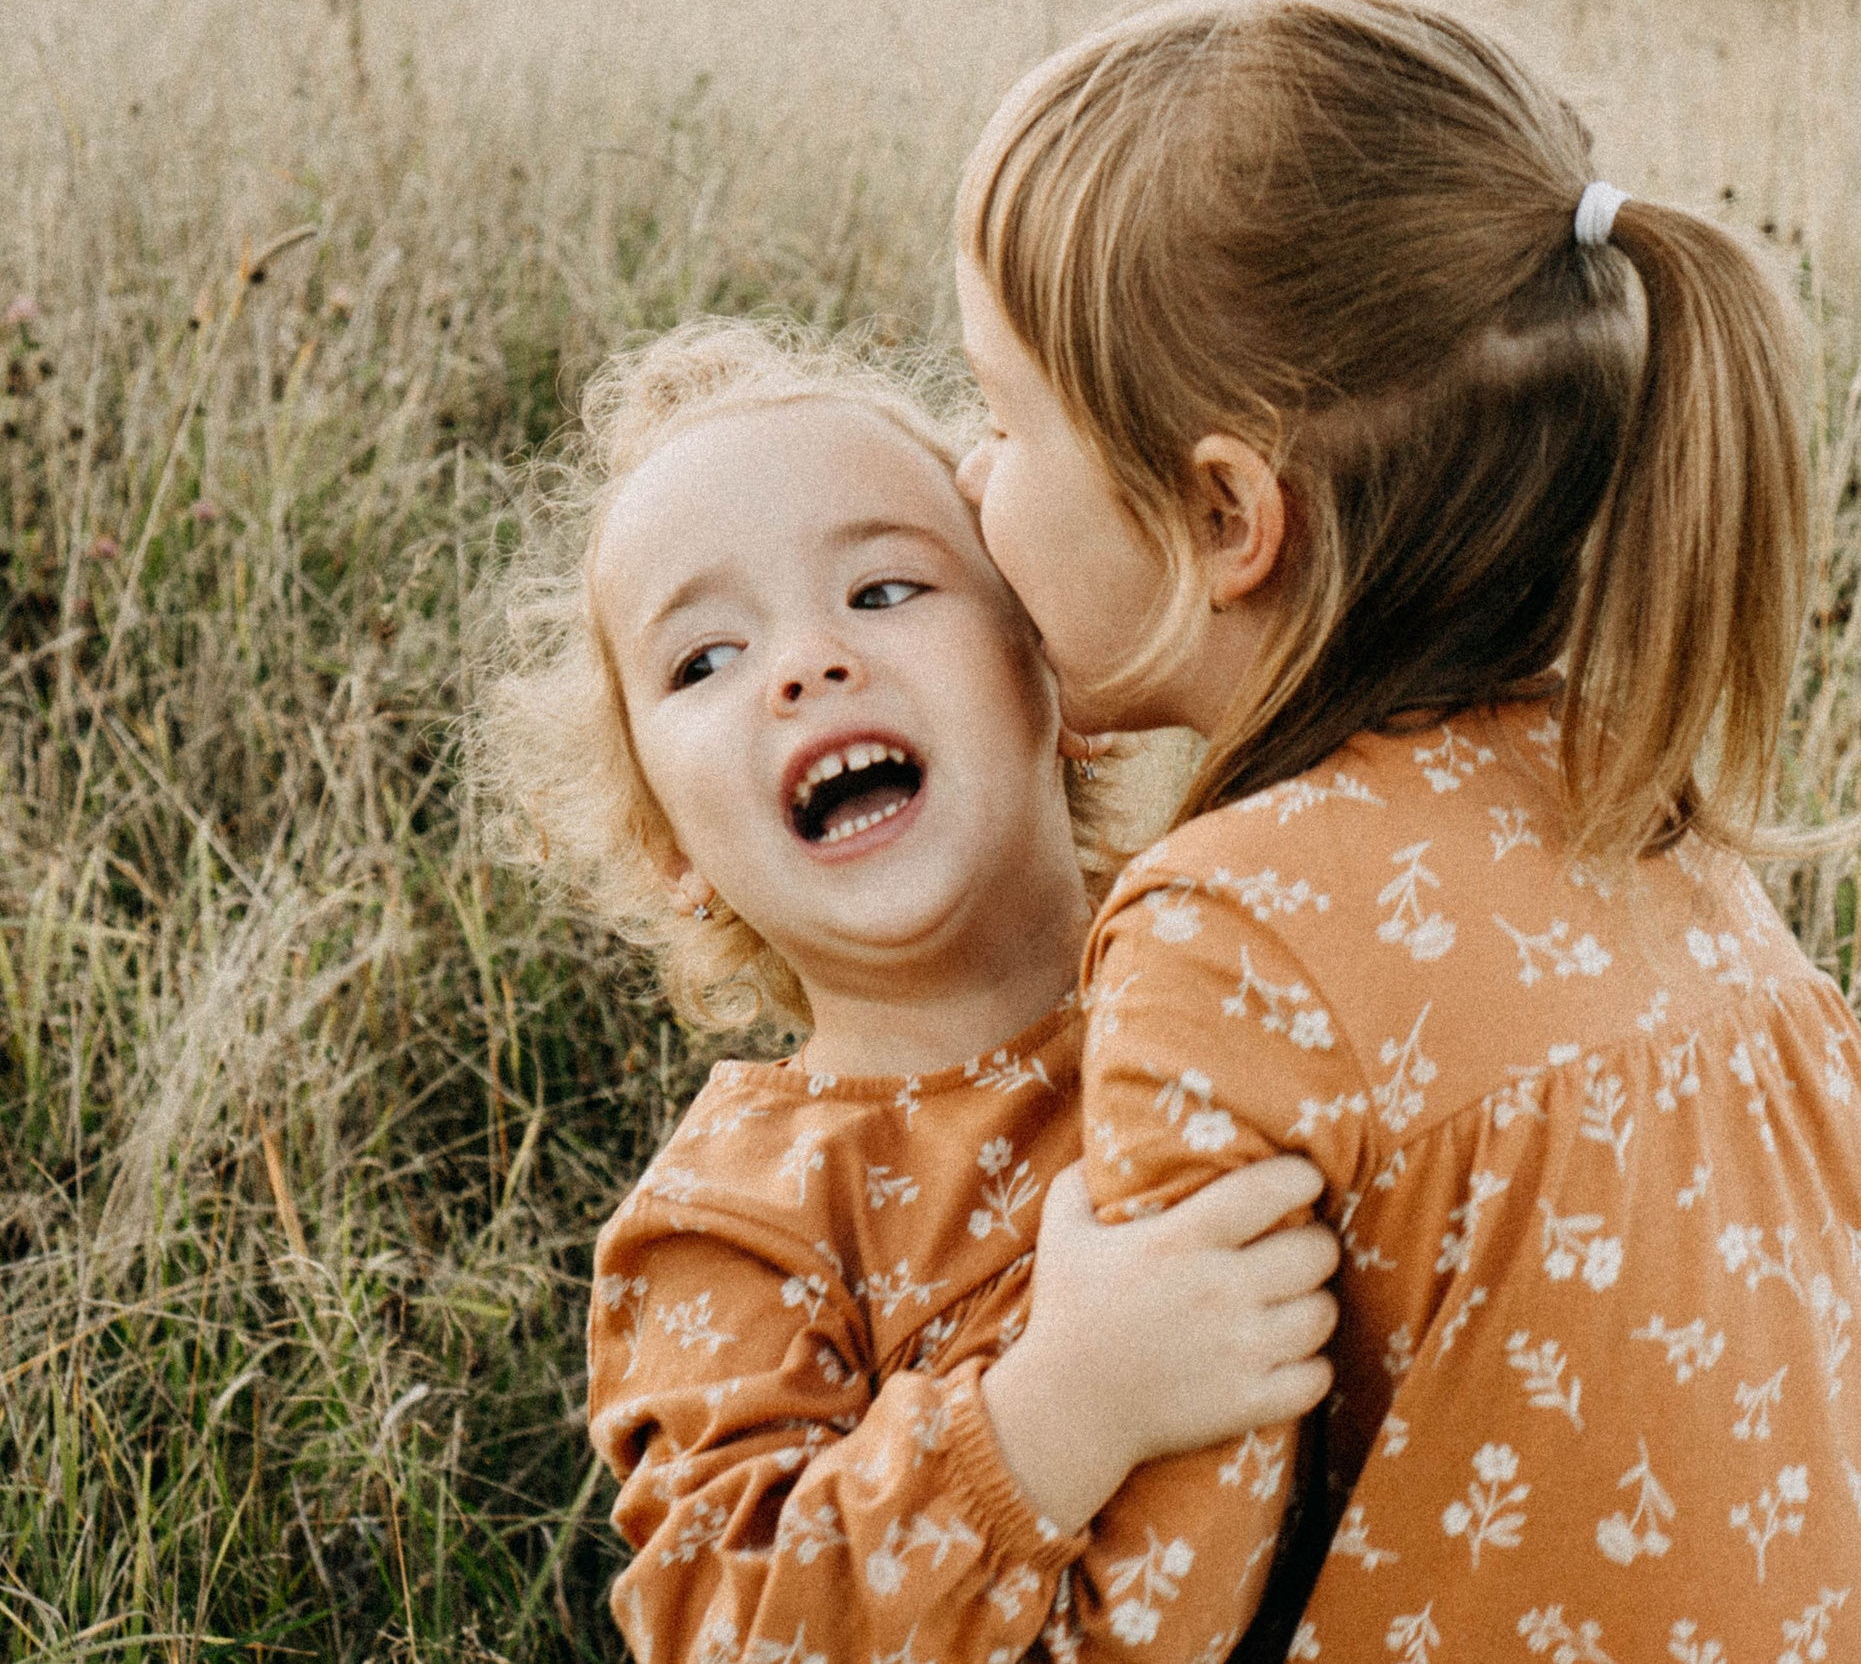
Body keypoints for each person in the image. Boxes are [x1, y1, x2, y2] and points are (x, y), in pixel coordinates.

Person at [953, 0, 1861, 1662]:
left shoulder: (1232, 934)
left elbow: (1146, 1630)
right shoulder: (1639, 810)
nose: (968, 479)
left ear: (1228, 516)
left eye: (1005, 415)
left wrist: (982, 1440)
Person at [479, 319, 1341, 1663]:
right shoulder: (738, 1222)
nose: (806, 665)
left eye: (883, 591)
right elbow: (735, 1631)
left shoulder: (1253, 951)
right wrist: (1059, 1414)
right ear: (668, 846)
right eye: (703, 660)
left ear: (1051, 661)